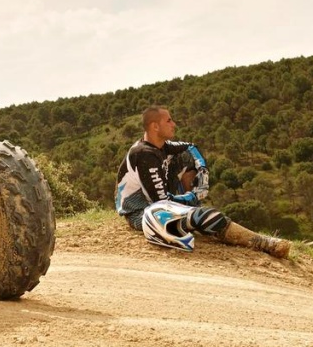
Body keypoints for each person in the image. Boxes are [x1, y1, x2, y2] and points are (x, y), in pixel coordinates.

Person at [115, 106, 290, 258]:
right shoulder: (144, 154)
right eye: (168, 121)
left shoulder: (161, 146)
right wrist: (190, 197)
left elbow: (190, 147)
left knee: (185, 157)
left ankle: (194, 214)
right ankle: (262, 242)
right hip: (143, 213)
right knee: (205, 216)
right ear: (155, 126)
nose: (174, 124)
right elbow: (160, 201)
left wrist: (202, 167)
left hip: (157, 204)